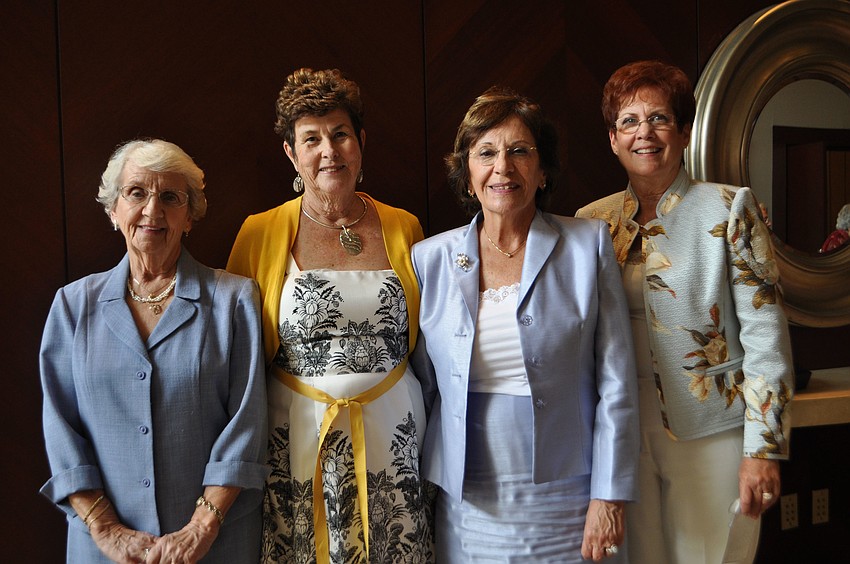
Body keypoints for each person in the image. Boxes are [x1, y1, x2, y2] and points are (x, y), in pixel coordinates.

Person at [576, 60, 794, 564]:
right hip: (620, 433)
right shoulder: (591, 223)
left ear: (684, 131)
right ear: (612, 139)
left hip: (711, 426)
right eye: (628, 121)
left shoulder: (729, 209)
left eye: (659, 118)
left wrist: (762, 450)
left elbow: (766, 336)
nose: (644, 133)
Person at [410, 86, 639, 563]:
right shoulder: (429, 259)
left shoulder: (587, 245)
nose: (503, 168)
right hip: (468, 501)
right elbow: (424, 387)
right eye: (486, 153)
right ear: (467, 171)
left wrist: (609, 496)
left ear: (541, 169)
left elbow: (617, 382)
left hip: (571, 500)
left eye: (520, 151)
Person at [226, 68, 434, 564]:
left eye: (340, 134)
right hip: (298, 440)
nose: (329, 150)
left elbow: (431, 341)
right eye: (311, 139)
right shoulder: (260, 232)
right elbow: (236, 356)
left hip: (394, 437)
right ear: (291, 154)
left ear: (360, 142)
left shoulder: (405, 226)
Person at [40, 139, 268, 563]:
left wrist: (201, 528)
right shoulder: (73, 306)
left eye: (170, 197)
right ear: (113, 210)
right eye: (136, 193)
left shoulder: (234, 300)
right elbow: (61, 430)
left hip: (215, 546)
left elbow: (247, 423)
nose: (152, 211)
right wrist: (106, 530)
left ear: (190, 216)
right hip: (101, 548)